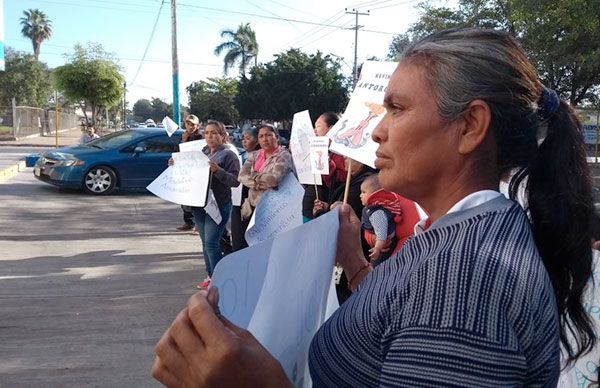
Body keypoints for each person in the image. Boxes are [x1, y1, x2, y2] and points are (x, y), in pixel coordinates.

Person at [152, 29, 597, 387]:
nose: (378, 132)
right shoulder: (462, 235)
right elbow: (399, 327)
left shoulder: (465, 278)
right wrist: (356, 263)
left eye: (397, 109)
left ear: (470, 126)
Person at [177, 120, 240, 290]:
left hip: (218, 204)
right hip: (200, 203)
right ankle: (210, 275)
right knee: (205, 243)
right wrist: (177, 166)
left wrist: (217, 171)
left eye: (214, 133)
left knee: (212, 243)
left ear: (222, 135)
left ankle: (219, 279)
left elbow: (235, 181)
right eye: (207, 133)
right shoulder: (202, 152)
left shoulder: (229, 155)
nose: (210, 136)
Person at [313, 157, 377, 303]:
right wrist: (326, 207)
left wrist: (319, 214)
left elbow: (344, 218)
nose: (345, 162)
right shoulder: (355, 180)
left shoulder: (362, 185)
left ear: (360, 161)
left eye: (349, 159)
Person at [359, 174, 420, 265]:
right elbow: (372, 229)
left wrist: (378, 245)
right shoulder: (390, 198)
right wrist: (373, 239)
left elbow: (381, 227)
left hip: (402, 257)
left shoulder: (378, 209)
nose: (360, 195)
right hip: (391, 253)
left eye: (363, 192)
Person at [238, 124, 294, 221]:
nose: (264, 139)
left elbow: (273, 180)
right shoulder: (255, 155)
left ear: (276, 137)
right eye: (261, 136)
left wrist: (253, 177)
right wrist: (260, 181)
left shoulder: (283, 155)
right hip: (252, 206)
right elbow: (241, 176)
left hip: (274, 209)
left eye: (268, 135)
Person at [302, 112, 346, 222]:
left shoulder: (341, 153)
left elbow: (341, 178)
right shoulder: (314, 149)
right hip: (311, 202)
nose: (315, 131)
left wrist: (327, 163)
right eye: (314, 127)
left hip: (328, 205)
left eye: (318, 126)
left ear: (331, 129)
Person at [231, 127, 260, 251]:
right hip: (237, 201)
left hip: (254, 201)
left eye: (248, 138)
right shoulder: (240, 155)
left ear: (257, 141)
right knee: (238, 240)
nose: (244, 141)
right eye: (243, 138)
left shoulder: (261, 157)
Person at [175, 114, 204, 232]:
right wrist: (183, 140)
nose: (190, 126)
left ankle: (198, 224)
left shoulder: (200, 137)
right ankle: (188, 222)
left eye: (193, 124)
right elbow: (178, 152)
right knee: (185, 199)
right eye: (188, 124)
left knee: (196, 201)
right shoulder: (183, 136)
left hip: (197, 172)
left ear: (197, 126)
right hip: (185, 171)